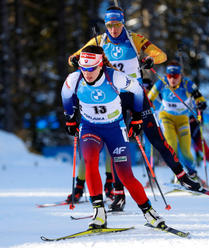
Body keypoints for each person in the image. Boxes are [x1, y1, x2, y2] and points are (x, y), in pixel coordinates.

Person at [66, 6, 202, 210]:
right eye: (110, 25)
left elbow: (161, 55)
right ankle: (118, 195)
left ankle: (183, 177)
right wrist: (76, 60)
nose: (113, 29)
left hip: (137, 96)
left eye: (117, 24)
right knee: (117, 146)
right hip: (114, 100)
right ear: (106, 25)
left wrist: (149, 59)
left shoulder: (134, 39)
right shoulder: (99, 41)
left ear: (123, 23)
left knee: (156, 137)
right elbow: (73, 58)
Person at [61, 45, 165, 229]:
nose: (88, 73)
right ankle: (99, 212)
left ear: (100, 65)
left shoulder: (114, 77)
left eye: (92, 68)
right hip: (90, 127)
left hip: (115, 128)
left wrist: (137, 117)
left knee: (125, 175)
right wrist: (70, 117)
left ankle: (149, 212)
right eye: (84, 69)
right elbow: (66, 94)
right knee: (90, 161)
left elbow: (138, 90)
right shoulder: (75, 79)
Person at [148, 60, 207, 181]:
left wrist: (201, 104)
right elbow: (149, 97)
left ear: (180, 75)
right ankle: (178, 175)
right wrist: (146, 106)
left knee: (186, 150)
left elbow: (200, 98)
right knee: (172, 146)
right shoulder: (162, 82)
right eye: (170, 76)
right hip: (166, 117)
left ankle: (192, 174)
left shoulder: (187, 84)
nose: (172, 79)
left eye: (175, 76)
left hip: (183, 119)